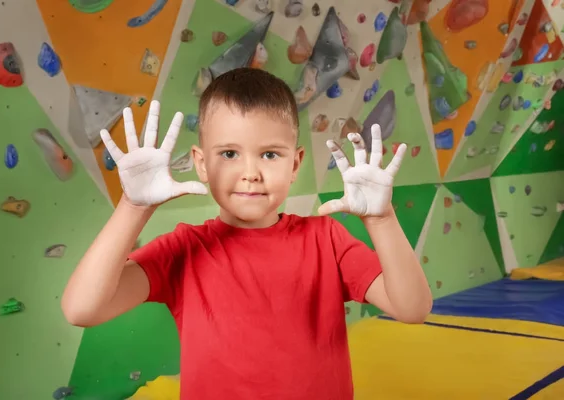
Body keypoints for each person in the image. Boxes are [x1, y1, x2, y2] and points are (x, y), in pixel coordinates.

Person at [62, 68, 432, 399]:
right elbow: (81, 308)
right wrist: (134, 207)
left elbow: (413, 308)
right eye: (229, 154)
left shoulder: (327, 239)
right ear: (201, 164)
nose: (250, 172)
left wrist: (382, 219)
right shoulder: (185, 249)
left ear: (295, 164)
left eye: (270, 154)